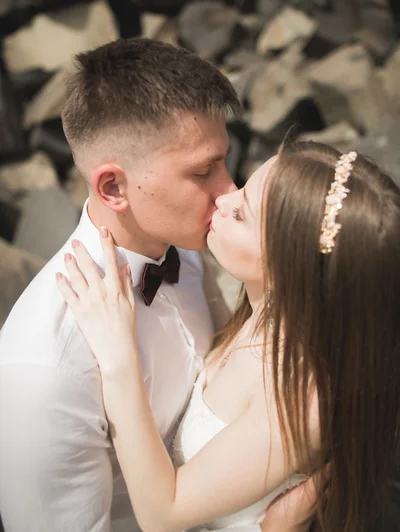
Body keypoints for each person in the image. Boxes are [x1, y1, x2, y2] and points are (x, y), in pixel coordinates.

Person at [0, 38, 314, 532]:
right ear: (113, 188)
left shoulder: (188, 248)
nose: (229, 190)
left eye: (224, 160)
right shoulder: (44, 364)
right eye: (203, 171)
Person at [56, 140, 400, 532]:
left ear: (290, 265)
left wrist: (118, 356)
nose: (222, 198)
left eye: (240, 213)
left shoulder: (302, 394)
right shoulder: (267, 316)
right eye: (242, 188)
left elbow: (162, 513)